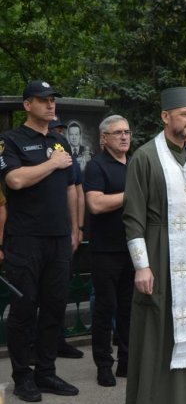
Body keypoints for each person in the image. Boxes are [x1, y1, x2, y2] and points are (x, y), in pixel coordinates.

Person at [122, 87, 186, 403]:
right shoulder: (145, 157)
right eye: (184, 115)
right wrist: (142, 266)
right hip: (159, 254)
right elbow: (133, 216)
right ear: (165, 116)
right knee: (159, 331)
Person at [0, 80, 79, 402]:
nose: (50, 105)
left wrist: (76, 229)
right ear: (27, 105)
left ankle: (46, 373)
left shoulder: (61, 142)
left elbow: (71, 188)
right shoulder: (10, 141)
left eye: (52, 100)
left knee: (54, 308)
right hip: (25, 239)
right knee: (23, 308)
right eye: (42, 100)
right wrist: (51, 163)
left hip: (59, 238)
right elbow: (15, 180)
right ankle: (23, 377)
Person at [84, 115, 134, 387]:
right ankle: (104, 364)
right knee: (106, 308)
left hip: (133, 248)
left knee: (129, 309)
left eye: (127, 132)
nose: (124, 137)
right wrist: (131, 195)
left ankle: (127, 361)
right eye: (117, 133)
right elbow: (95, 204)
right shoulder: (96, 166)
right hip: (105, 250)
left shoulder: (135, 163)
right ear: (104, 138)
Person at [47, 118, 85, 360]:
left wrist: (78, 228)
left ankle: (58, 341)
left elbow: (77, 191)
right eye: (56, 132)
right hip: (36, 234)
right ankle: (34, 346)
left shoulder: (67, 156)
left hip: (63, 232)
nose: (60, 136)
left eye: (62, 131)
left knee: (59, 293)